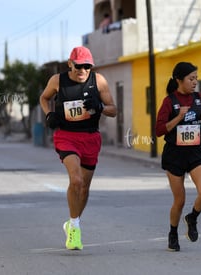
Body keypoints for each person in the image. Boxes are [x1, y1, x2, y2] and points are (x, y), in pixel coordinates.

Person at [39, 46, 117, 250]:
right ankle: (74, 228)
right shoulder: (58, 80)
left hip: (90, 138)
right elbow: (44, 98)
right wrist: (49, 114)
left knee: (84, 188)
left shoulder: (98, 81)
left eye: (87, 67)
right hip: (66, 136)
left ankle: (73, 221)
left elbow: (113, 110)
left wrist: (100, 107)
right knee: (76, 180)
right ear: (70, 64)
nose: (83, 70)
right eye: (79, 66)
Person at [155, 62, 201, 251]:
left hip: (195, 152)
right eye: (191, 79)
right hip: (174, 154)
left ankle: (192, 218)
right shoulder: (169, 101)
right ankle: (173, 233)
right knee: (180, 200)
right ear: (179, 80)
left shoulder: (199, 99)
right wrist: (178, 117)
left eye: (196, 78)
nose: (195, 82)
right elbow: (159, 130)